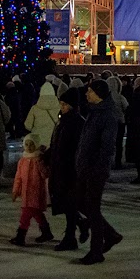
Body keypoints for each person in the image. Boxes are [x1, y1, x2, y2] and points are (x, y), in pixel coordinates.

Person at [74, 79, 123, 264]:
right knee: (81, 202)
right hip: (86, 167)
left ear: (98, 94)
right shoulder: (95, 112)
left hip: (95, 170)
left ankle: (96, 251)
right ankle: (110, 234)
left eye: (90, 91)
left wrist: (97, 169)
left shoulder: (108, 115)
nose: (86, 94)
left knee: (93, 209)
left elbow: (107, 147)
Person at [48, 87, 87, 252]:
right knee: (66, 203)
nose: (61, 107)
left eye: (64, 104)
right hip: (61, 168)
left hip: (69, 170)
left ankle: (71, 236)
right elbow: (58, 144)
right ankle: (78, 226)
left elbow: (74, 148)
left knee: (69, 203)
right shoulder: (63, 120)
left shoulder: (76, 122)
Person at [10, 135, 53, 246]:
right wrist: (15, 190)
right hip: (26, 193)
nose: (29, 147)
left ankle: (20, 236)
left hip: (37, 193)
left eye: (32, 144)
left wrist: (40, 163)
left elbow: (45, 174)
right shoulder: (22, 161)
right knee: (37, 213)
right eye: (27, 144)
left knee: (26, 214)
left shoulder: (39, 160)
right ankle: (46, 232)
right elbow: (18, 177)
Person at [23, 80, 61, 151]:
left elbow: (27, 125)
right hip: (54, 141)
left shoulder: (35, 108)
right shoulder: (60, 108)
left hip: (38, 143)